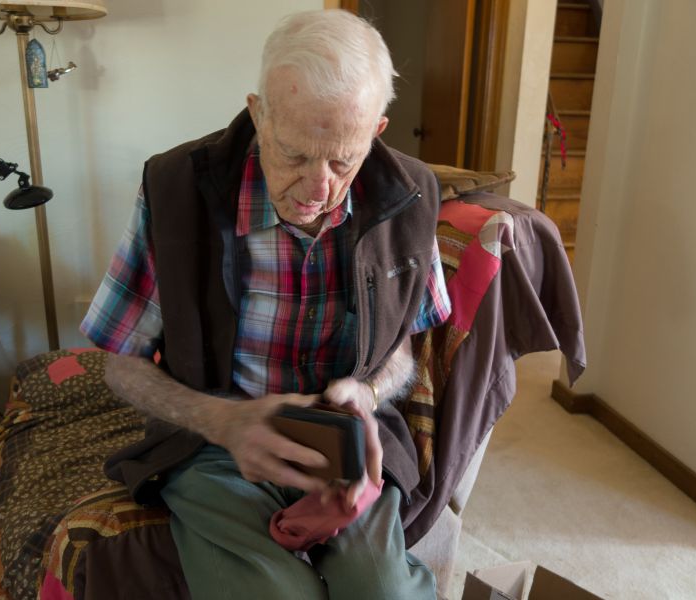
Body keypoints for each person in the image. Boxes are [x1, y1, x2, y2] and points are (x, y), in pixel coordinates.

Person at [82, 9, 451, 599]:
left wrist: (369, 390)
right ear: (259, 114)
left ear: (376, 130)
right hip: (214, 444)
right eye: (295, 155)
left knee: (385, 593)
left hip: (347, 447)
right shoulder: (174, 187)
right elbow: (119, 364)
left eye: (343, 160)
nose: (318, 190)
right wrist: (223, 421)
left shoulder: (411, 196)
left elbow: (401, 349)